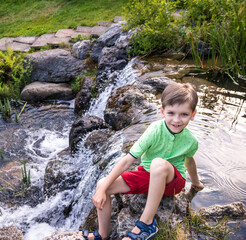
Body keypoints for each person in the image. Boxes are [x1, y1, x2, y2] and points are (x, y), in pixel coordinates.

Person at [80, 83, 205, 240]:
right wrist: (101, 189)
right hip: (147, 175)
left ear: (193, 114)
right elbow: (127, 161)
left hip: (173, 182)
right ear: (162, 111)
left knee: (158, 164)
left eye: (184, 114)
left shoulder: (191, 141)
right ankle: (102, 234)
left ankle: (146, 223)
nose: (176, 120)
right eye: (171, 113)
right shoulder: (154, 130)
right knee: (102, 185)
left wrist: (196, 183)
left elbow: (189, 160)